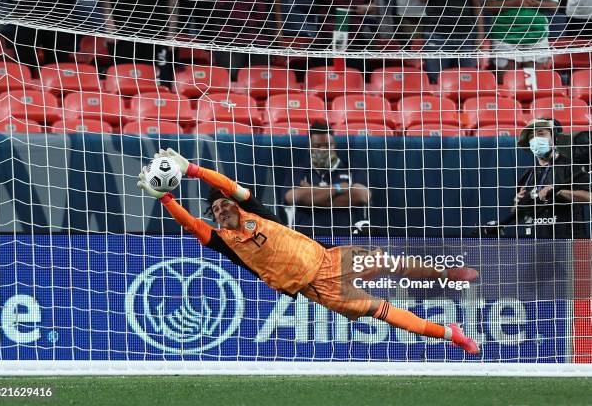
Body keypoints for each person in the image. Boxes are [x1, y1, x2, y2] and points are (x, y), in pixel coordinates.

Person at [137, 148, 481, 355]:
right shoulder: (225, 243)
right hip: (317, 287)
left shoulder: (256, 212)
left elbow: (227, 185)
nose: (222, 209)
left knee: (391, 263)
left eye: (224, 205)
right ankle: (450, 334)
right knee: (384, 311)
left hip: (329, 257)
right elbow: (191, 225)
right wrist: (166, 198)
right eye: (215, 211)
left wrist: (192, 171)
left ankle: (446, 274)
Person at [283, 122, 370, 237]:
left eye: (328, 145)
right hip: (307, 239)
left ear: (334, 145)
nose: (323, 150)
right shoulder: (298, 171)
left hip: (347, 238)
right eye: (318, 146)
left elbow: (362, 195)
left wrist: (311, 196)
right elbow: (291, 197)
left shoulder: (350, 168)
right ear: (309, 146)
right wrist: (339, 188)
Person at [514, 118, 589, 238]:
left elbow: (589, 197)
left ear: (553, 137)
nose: (536, 139)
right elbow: (516, 213)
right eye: (531, 137)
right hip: (537, 243)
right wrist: (517, 203)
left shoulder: (571, 166)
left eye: (541, 133)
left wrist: (559, 191)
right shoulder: (527, 175)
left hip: (569, 240)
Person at [486, 0, 559, 83]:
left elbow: (554, 5)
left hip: (537, 35)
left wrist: (536, 3)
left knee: (535, 84)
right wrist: (516, 2)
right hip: (504, 35)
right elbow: (488, 5)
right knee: (506, 83)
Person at [422, 0, 484, 84]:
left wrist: (481, 33)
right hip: (436, 35)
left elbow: (476, 4)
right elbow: (423, 0)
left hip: (465, 36)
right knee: (436, 78)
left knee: (467, 79)